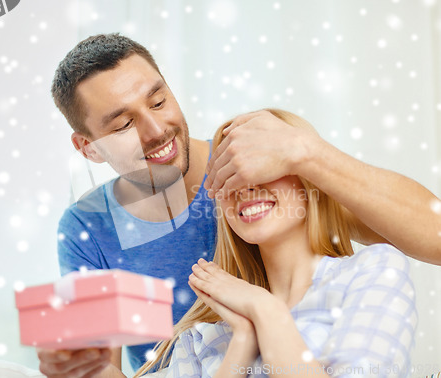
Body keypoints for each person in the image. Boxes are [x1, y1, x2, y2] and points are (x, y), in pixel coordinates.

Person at [37, 33, 439, 377]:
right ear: (88, 147)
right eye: (123, 125)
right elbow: (102, 368)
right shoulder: (86, 228)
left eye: (158, 101)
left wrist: (307, 153)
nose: (156, 131)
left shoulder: (259, 170)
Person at [128, 109, 417, 377]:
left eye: (262, 167)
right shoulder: (200, 337)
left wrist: (267, 311)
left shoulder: (373, 272)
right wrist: (243, 339)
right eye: (228, 174)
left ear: (310, 176)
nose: (245, 185)